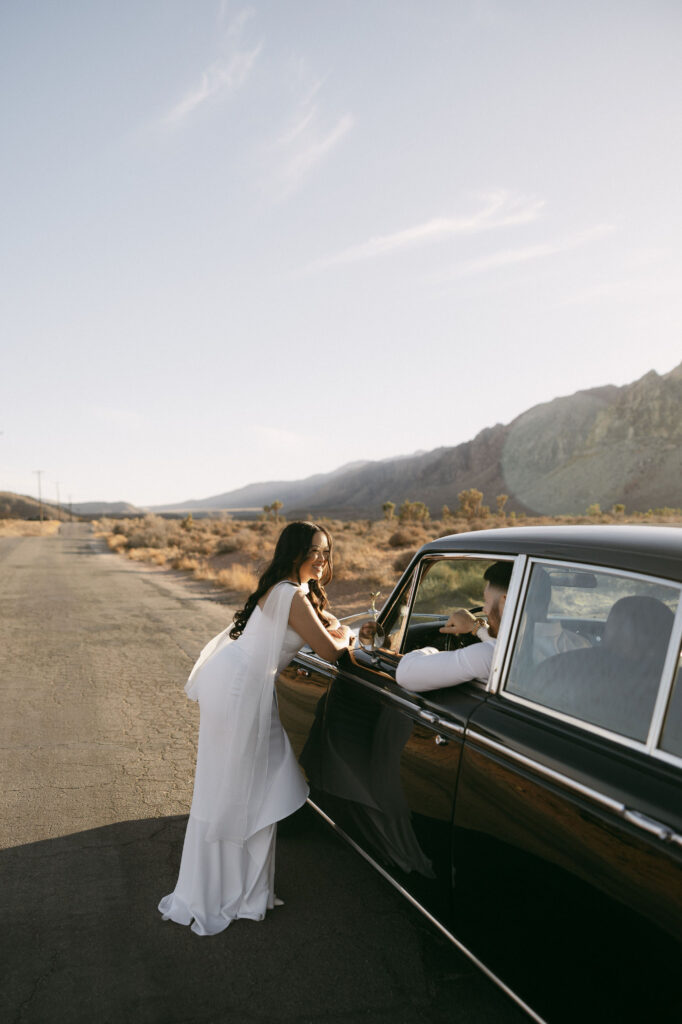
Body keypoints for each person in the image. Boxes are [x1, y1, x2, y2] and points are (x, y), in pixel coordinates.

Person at [159, 521, 353, 936]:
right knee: (245, 784)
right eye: (315, 551)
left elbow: (319, 629)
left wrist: (334, 625)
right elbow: (330, 651)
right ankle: (234, 893)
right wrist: (351, 634)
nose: (322, 559)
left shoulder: (287, 591)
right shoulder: (290, 594)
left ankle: (243, 889)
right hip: (241, 693)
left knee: (240, 783)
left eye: (326, 552)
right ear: (295, 551)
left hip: (237, 686)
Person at [396, 561, 512, 692]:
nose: (484, 609)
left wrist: (434, 652)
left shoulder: (489, 655)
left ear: (505, 600)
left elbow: (405, 673)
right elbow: (496, 646)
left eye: (487, 601)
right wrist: (477, 627)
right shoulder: (525, 647)